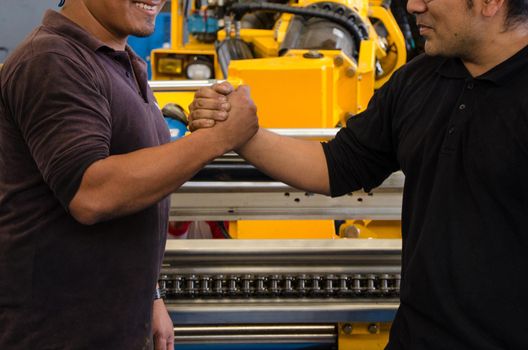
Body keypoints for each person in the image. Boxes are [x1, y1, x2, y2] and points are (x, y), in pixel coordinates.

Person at [188, 0, 528, 347]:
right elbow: (337, 165)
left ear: (490, 3)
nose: (413, 5)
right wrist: (243, 135)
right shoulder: (420, 78)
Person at [0, 0, 257, 349]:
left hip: (110, 325)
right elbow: (92, 193)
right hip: (56, 331)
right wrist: (217, 139)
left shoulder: (120, 61)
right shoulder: (51, 59)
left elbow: (135, 183)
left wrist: (151, 294)